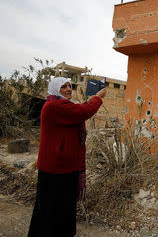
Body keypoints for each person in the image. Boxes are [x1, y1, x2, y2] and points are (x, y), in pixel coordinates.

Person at [28, 77, 106, 237]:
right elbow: (83, 112)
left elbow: (78, 111)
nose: (68, 89)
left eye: (70, 86)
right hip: (56, 169)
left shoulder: (60, 106)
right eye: (63, 87)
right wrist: (98, 98)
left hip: (62, 167)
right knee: (54, 209)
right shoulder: (55, 106)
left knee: (57, 208)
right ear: (56, 90)